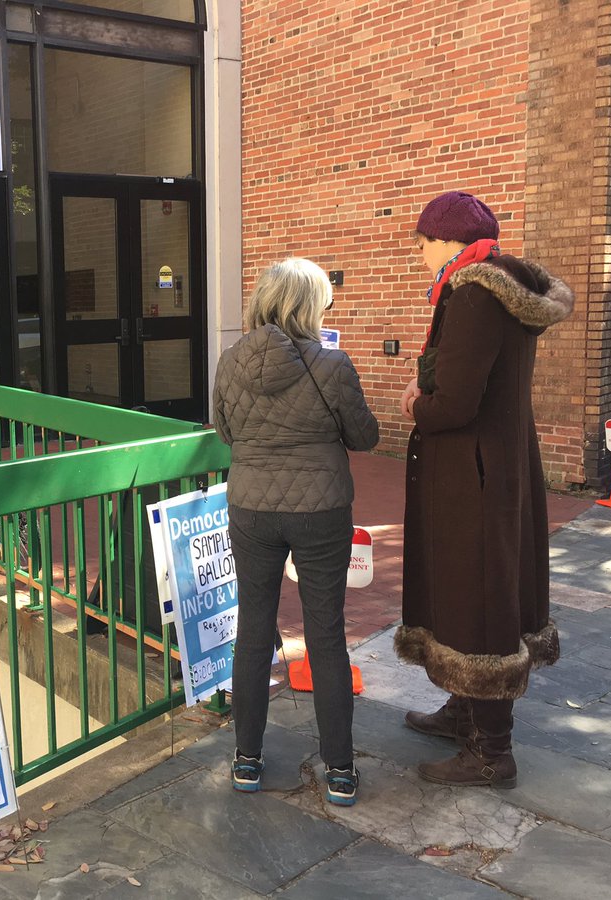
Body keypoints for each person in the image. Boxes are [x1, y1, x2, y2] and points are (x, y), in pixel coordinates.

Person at [397, 191, 574, 788]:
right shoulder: (506, 286)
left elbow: (456, 403)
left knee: (477, 597)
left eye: (422, 242)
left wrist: (418, 403)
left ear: (448, 240)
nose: (420, 254)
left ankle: (490, 752)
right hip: (495, 467)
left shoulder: (473, 292)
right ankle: (463, 711)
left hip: (470, 475)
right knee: (477, 588)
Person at [212, 258, 379, 805]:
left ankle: (246, 759)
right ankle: (340, 770)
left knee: (253, 627)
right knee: (325, 633)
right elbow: (364, 436)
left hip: (251, 506)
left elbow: (225, 431)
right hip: (321, 509)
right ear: (311, 306)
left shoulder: (230, 361)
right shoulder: (332, 364)